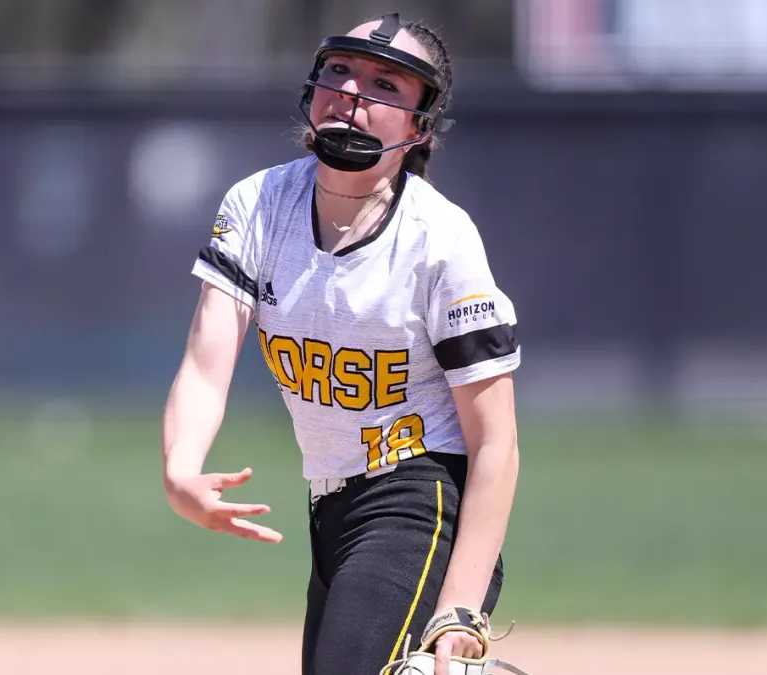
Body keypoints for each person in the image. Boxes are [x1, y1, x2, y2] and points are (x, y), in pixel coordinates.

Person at [161, 12, 522, 675]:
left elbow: (496, 440)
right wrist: (182, 466)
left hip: (420, 498)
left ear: (420, 126)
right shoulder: (259, 204)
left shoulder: (439, 239)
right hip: (330, 503)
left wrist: (462, 605)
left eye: (386, 82)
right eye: (340, 69)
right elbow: (205, 369)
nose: (352, 92)